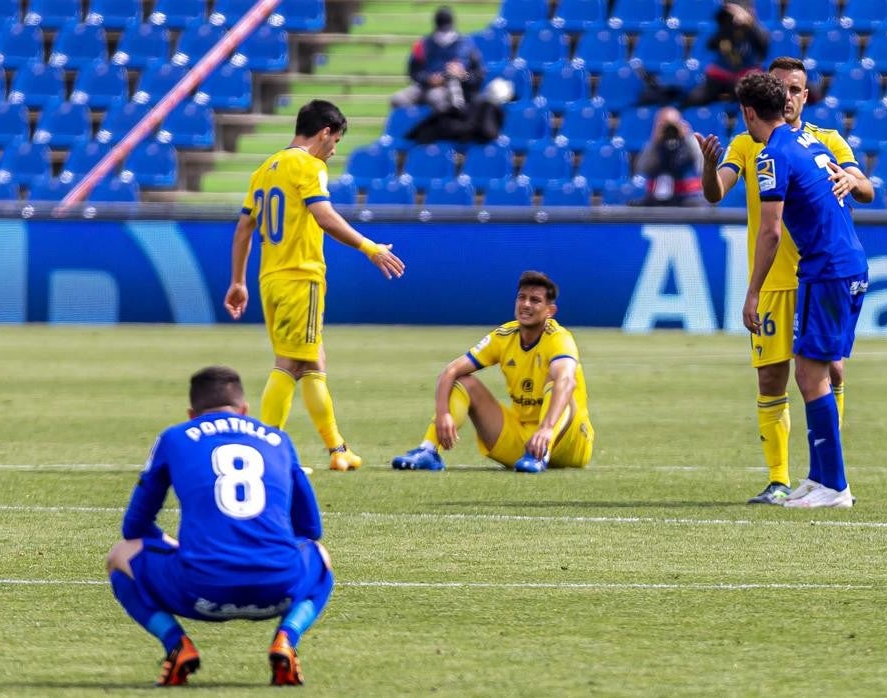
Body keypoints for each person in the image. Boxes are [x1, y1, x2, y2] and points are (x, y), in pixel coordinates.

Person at [697, 57, 873, 506]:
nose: (790, 96)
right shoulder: (760, 143)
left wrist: (851, 180)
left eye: (797, 89)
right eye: (783, 88)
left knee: (821, 372)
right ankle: (798, 478)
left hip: (820, 271)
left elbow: (863, 189)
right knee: (781, 377)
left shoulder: (809, 143)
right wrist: (707, 166)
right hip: (801, 273)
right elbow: (716, 192)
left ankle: (832, 479)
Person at [105, 366, 334, 686]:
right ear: (245, 410)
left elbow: (134, 527)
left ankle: (177, 646)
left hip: (199, 593)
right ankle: (286, 638)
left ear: (191, 413)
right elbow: (310, 529)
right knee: (320, 555)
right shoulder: (279, 439)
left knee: (119, 555)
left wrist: (169, 542)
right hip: (277, 590)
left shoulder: (174, 437)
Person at [224, 99, 405, 472]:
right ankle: (262, 452)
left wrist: (238, 280)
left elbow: (244, 227)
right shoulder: (309, 165)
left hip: (270, 278)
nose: (334, 150)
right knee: (289, 364)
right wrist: (369, 247)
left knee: (312, 362)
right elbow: (323, 216)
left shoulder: (265, 168)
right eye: (335, 141)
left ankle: (337, 449)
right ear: (324, 132)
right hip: (299, 276)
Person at [391, 271, 594, 474]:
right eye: (522, 298)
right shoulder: (504, 336)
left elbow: (566, 381)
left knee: (557, 379)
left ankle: (541, 453)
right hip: (522, 443)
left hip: (569, 442)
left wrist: (546, 429)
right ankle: (428, 450)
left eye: (535, 300)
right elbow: (450, 371)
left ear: (550, 311)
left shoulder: (559, 338)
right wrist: (443, 414)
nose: (526, 305)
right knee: (463, 381)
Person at [390, 6, 484, 114]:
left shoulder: (466, 44)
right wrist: (428, 79)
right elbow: (413, 71)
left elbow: (478, 75)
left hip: (450, 88)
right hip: (424, 86)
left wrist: (462, 75)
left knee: (436, 97)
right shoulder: (423, 43)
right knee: (397, 99)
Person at [684, 1, 769, 107]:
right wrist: (726, 24)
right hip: (722, 75)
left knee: (756, 99)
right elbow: (711, 44)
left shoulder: (755, 30)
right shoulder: (724, 26)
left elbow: (764, 46)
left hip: (747, 76)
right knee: (694, 98)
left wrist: (750, 23)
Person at [632, 107, 705, 207]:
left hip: (689, 196)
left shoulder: (692, 141)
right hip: (657, 197)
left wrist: (687, 137)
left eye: (673, 124)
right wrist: (654, 141)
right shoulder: (655, 144)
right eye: (664, 124)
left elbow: (702, 167)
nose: (669, 129)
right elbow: (642, 169)